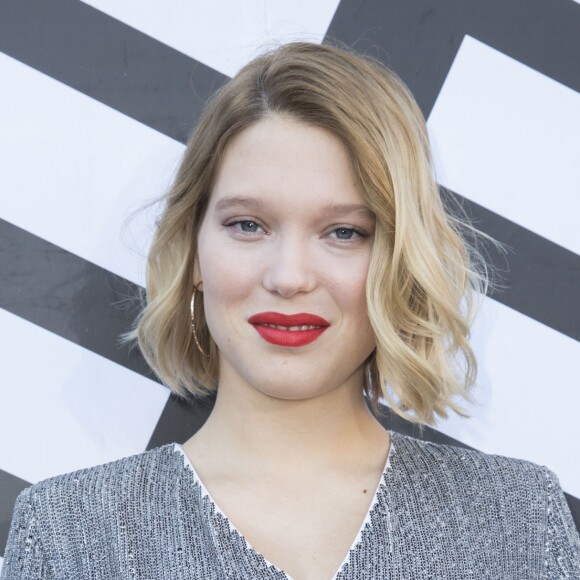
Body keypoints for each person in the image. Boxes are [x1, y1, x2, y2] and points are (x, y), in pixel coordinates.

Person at [2, 42, 579, 580]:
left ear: (400, 259)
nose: (289, 277)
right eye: (247, 225)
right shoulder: (70, 540)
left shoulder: (516, 525)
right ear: (194, 250)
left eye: (344, 232)